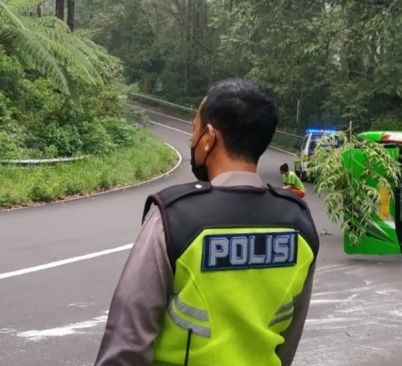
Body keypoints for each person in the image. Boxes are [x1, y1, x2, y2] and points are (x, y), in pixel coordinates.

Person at [95, 79, 319, 366]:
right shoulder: (298, 224)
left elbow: (127, 342)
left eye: (194, 129)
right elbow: (288, 341)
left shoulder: (175, 216)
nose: (191, 141)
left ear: (210, 136)